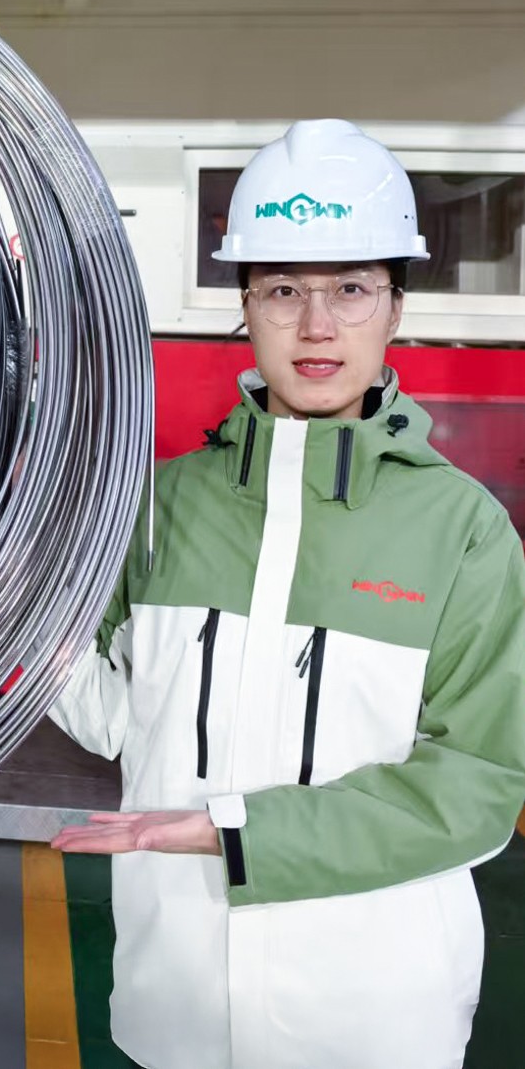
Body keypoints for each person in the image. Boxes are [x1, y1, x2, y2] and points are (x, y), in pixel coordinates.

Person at [48, 118, 525, 1069]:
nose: (316, 326)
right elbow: (119, 717)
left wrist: (239, 834)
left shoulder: (463, 531)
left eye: (351, 288)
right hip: (176, 1000)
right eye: (282, 290)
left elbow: (477, 785)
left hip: (373, 1020)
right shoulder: (158, 506)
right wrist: (0, 619)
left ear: (395, 307)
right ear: (246, 304)